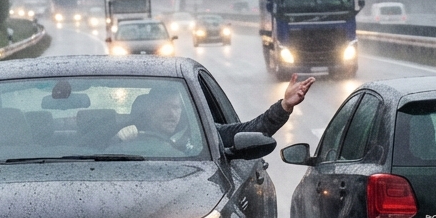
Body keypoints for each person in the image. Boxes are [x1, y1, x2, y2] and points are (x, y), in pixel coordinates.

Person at [115, 74, 315, 150]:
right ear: (149, 110)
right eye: (164, 108)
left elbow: (255, 129)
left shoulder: (205, 136)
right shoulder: (127, 135)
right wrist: (118, 139)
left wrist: (284, 106)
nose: (172, 114)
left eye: (176, 108)